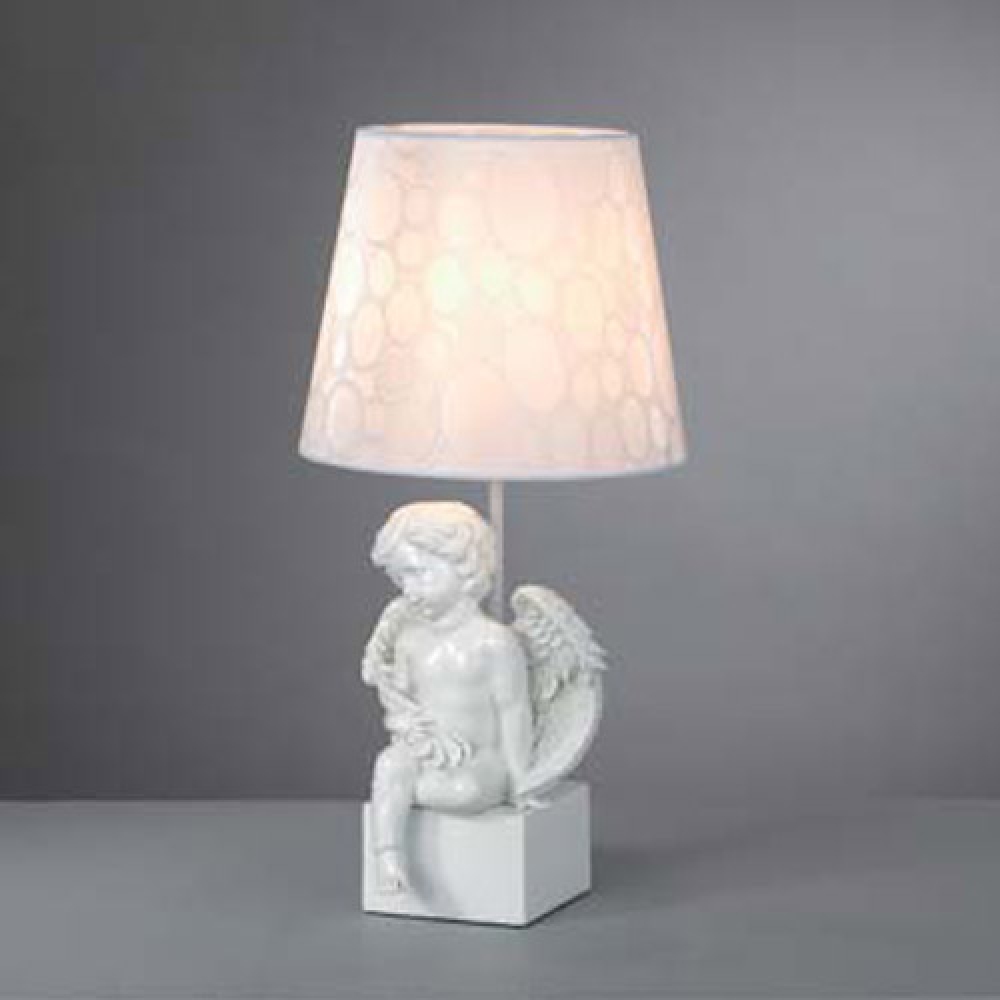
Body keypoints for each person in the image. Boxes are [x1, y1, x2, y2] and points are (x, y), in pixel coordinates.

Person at [363, 502, 532, 894]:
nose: (408, 590)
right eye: (401, 578)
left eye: (419, 573)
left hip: (478, 758)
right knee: (389, 763)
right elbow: (404, 705)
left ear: (465, 566)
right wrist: (386, 686)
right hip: (424, 752)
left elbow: (514, 712)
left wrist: (521, 780)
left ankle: (404, 797)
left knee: (464, 791)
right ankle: (389, 857)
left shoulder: (494, 643)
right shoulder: (409, 640)